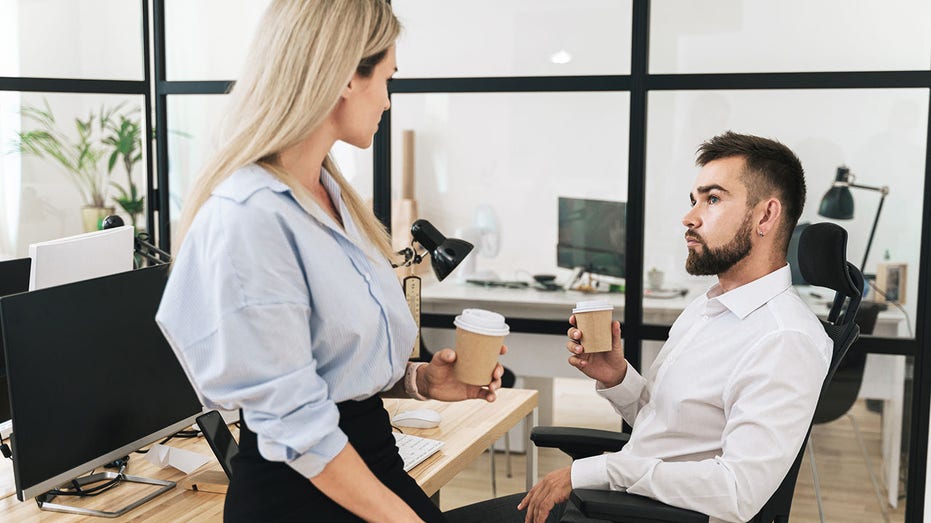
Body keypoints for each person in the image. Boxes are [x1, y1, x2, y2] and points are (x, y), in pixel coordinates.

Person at [155, 2, 504, 522]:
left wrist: (420, 382)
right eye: (386, 79)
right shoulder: (251, 216)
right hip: (303, 497)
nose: (387, 101)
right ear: (345, 77)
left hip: (370, 470)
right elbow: (294, 419)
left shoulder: (333, 197)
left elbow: (328, 363)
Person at [446, 132, 832, 523]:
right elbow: (671, 427)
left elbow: (737, 491)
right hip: (621, 501)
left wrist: (596, 471)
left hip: (640, 512)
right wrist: (617, 378)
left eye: (713, 199)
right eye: (694, 200)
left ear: (765, 216)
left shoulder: (784, 339)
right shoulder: (708, 308)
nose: (690, 217)